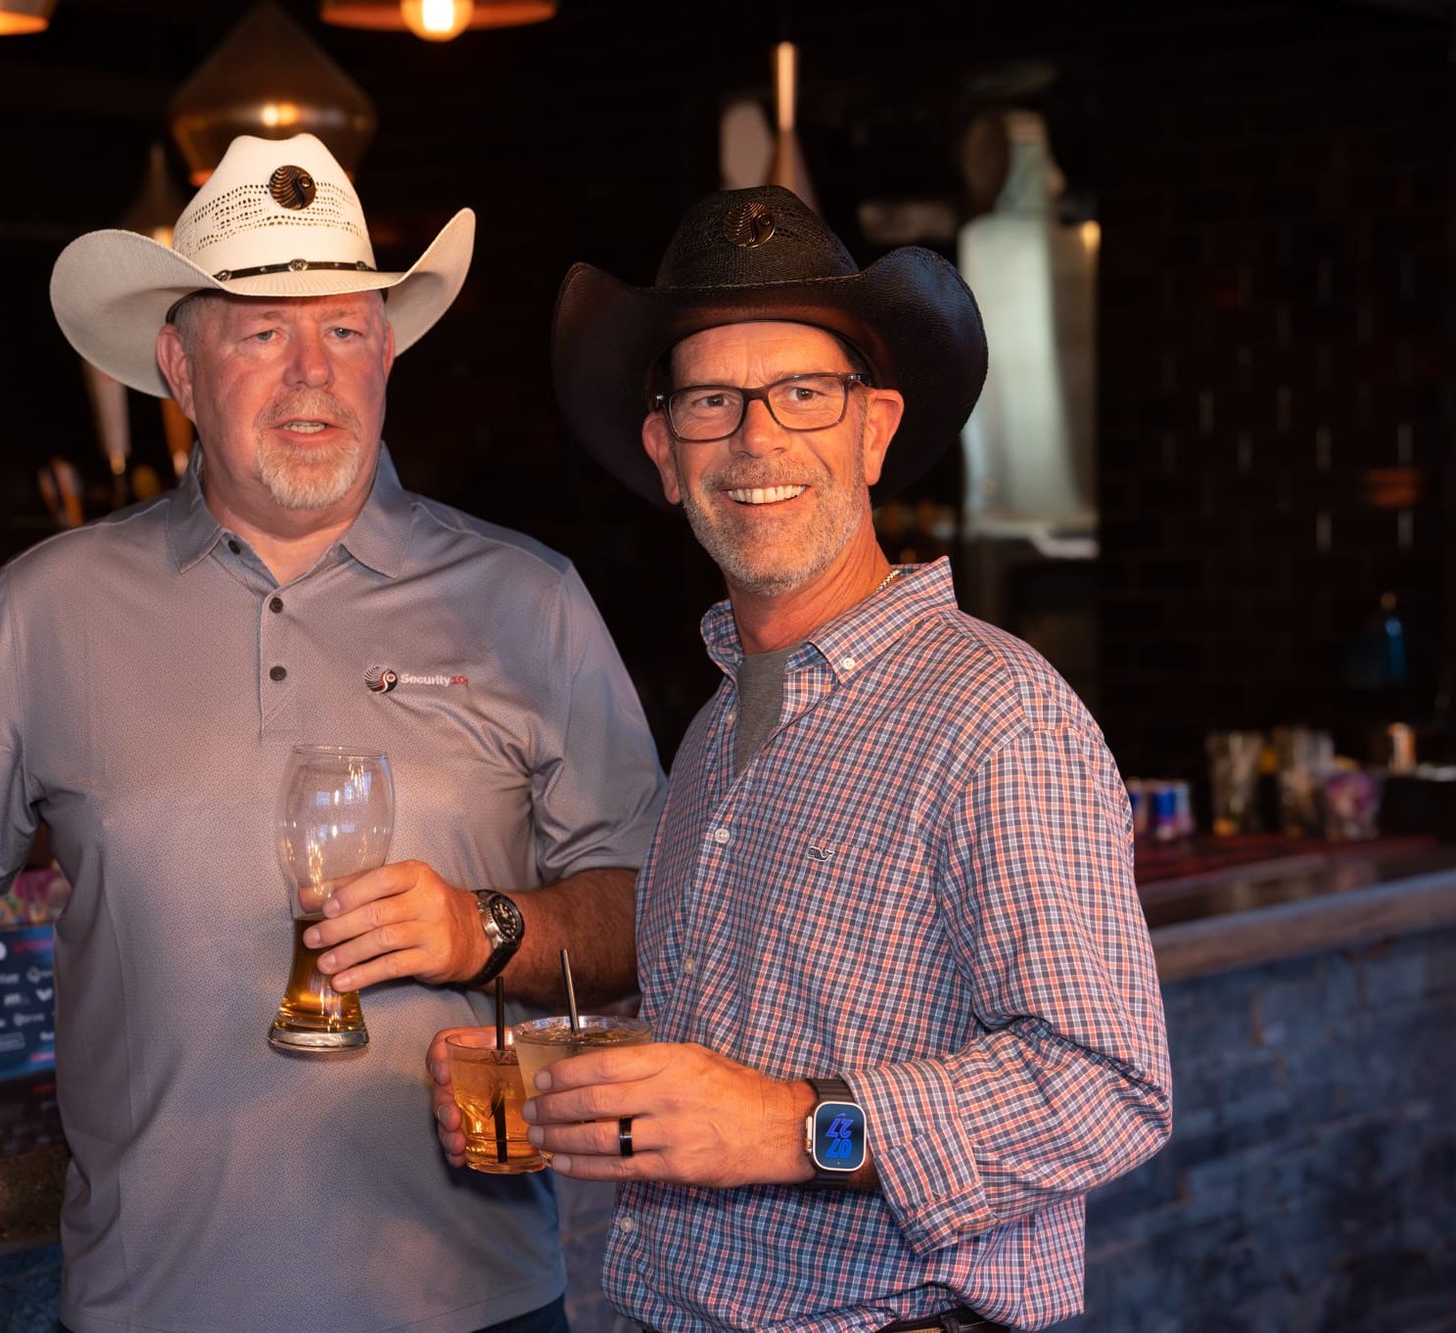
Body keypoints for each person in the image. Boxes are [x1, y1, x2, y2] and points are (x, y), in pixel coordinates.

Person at [0, 133, 665, 1333]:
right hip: (151, 1307)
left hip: (473, 1307)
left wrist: (480, 927)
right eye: (259, 332)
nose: (310, 374)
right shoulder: (49, 606)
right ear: (179, 367)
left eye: (343, 329)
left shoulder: (526, 600)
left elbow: (649, 909)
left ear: (387, 351)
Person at [435, 186, 1173, 1331]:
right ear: (665, 453)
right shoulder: (715, 727)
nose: (757, 439)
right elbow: (730, 1033)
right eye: (712, 401)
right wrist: (554, 1078)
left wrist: (790, 1126)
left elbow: (1104, 1087)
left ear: (873, 429)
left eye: (802, 393)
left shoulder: (995, 714)